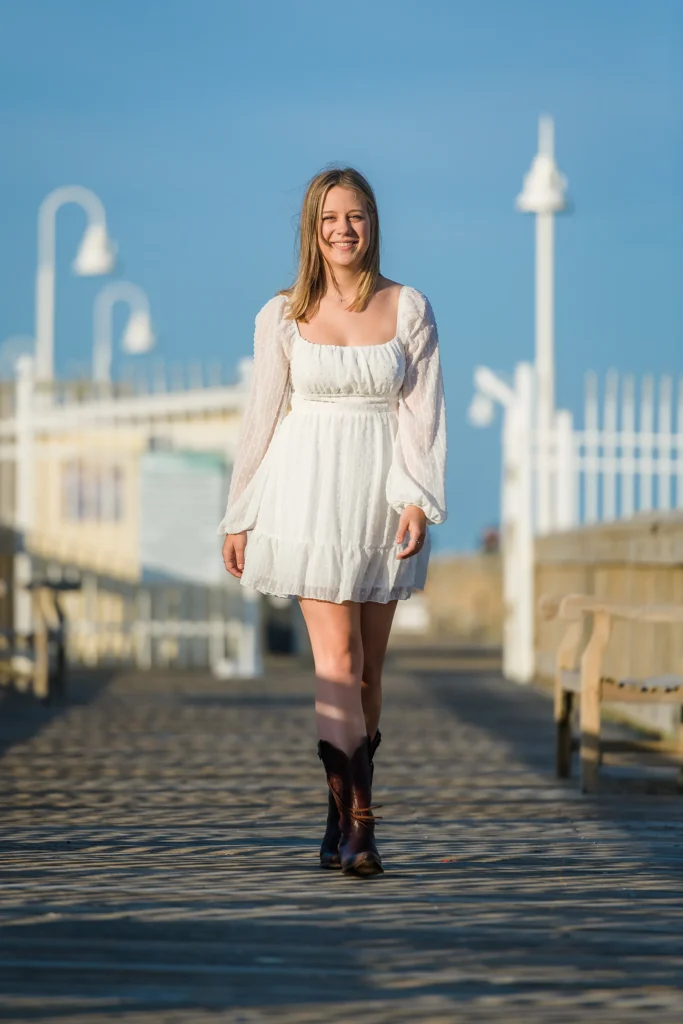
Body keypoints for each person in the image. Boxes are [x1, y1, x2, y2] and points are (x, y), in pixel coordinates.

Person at [218, 166, 447, 878]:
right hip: (306, 493)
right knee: (336, 666)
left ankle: (336, 809)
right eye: (329, 220)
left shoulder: (406, 307)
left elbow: (422, 414)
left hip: (380, 495)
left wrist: (416, 498)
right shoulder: (282, 314)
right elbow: (260, 418)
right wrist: (240, 512)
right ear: (311, 232)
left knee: (370, 673)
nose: (343, 230)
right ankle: (362, 827)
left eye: (355, 217)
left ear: (371, 224)